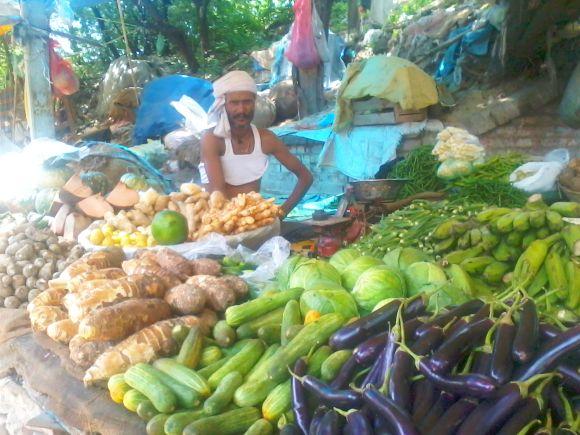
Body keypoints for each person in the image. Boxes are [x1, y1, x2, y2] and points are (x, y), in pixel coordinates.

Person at [199, 71, 313, 218]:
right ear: (223, 105)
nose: (241, 110)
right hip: (219, 225)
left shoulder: (266, 139)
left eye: (247, 102)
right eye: (234, 103)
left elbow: (306, 177)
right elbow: (219, 196)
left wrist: (280, 214)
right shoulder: (212, 139)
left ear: (255, 102)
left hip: (253, 225)